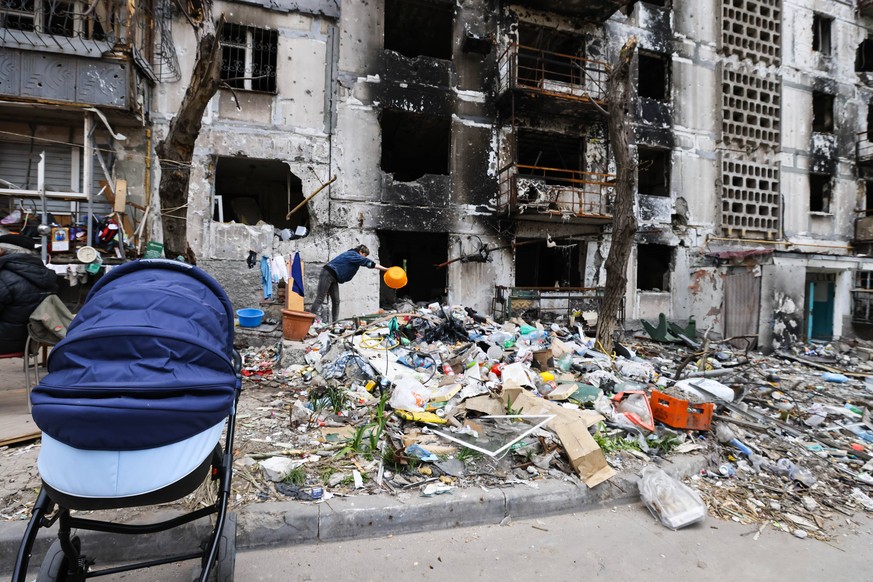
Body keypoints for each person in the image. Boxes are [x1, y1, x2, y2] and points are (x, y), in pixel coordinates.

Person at [0, 234, 58, 354]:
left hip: (5, 342)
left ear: (2, 251)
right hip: (33, 340)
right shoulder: (45, 274)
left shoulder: (4, 277)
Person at [311, 244, 388, 322]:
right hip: (327, 273)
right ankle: (311, 321)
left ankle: (335, 323)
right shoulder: (353, 255)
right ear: (360, 252)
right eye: (364, 255)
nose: (363, 258)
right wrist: (385, 269)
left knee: (336, 301)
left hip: (334, 277)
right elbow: (369, 263)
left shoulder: (353, 255)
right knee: (320, 298)